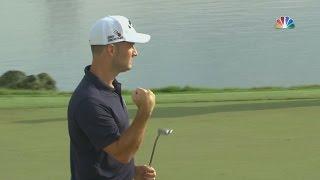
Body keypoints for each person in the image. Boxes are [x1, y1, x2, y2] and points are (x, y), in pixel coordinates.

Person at [67, 15, 156, 180]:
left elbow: (108, 151)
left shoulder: (110, 89)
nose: (135, 52)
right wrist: (145, 111)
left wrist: (131, 172)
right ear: (111, 49)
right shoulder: (90, 100)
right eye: (131, 45)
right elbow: (122, 153)